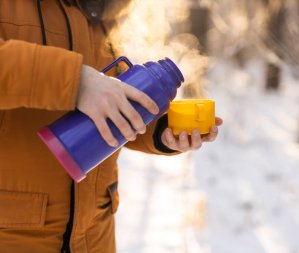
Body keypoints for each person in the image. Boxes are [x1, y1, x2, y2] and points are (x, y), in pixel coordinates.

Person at [0, 1, 222, 252]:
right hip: (14, 235)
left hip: (94, 237)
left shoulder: (100, 11)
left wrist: (161, 132)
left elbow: (111, 108)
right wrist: (76, 82)